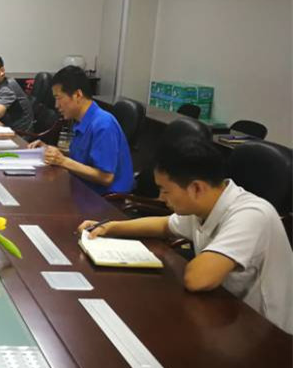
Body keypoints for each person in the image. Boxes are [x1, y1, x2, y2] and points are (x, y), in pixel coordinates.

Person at [79, 138, 292, 334]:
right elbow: (164, 225)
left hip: (266, 334)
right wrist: (110, 228)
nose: (161, 198)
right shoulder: (207, 202)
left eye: (165, 190)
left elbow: (197, 279)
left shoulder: (252, 215)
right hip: (223, 312)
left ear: (196, 188)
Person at [27, 65, 133, 194]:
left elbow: (106, 177)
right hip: (82, 188)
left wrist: (62, 161)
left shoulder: (103, 125)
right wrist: (51, 151)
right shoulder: (81, 120)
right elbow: (81, 158)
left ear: (77, 95)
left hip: (106, 199)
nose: (56, 105)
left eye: (59, 98)